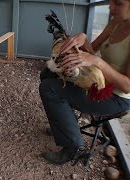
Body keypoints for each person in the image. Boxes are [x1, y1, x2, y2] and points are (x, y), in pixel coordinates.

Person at [39, 0, 130, 164]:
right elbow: (91, 50)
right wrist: (83, 38)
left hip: (115, 97)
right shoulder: (115, 23)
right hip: (96, 81)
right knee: (48, 74)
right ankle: (65, 126)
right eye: (111, 2)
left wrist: (97, 62)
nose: (110, 7)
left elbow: (127, 86)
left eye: (118, 3)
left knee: (49, 88)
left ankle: (73, 148)